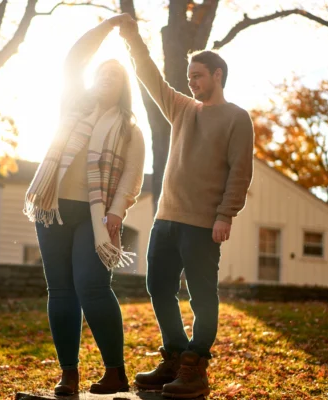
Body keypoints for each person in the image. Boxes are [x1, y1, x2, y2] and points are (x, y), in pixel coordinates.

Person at [117, 14, 254, 398]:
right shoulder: (181, 108)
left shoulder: (237, 118)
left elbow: (240, 172)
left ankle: (197, 366)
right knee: (157, 286)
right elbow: (149, 75)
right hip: (166, 219)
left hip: (203, 224)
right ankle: (176, 356)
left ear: (218, 75)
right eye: (190, 76)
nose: (191, 82)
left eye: (198, 76)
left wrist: (225, 214)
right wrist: (132, 38)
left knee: (201, 296)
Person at [23, 16, 145, 396]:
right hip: (53, 208)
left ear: (124, 88)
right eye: (102, 74)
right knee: (60, 290)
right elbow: (73, 61)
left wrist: (115, 214)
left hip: (95, 218)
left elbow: (131, 179)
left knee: (91, 286)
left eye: (116, 76)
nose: (107, 79)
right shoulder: (72, 109)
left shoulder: (130, 128)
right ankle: (69, 374)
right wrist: (106, 28)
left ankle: (115, 372)